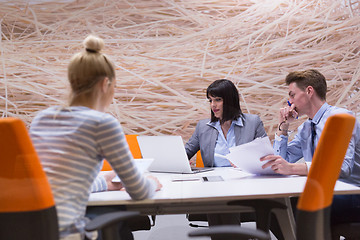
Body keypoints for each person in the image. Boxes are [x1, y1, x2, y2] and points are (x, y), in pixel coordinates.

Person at [29, 35, 162, 240]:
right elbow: (140, 193)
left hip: (33, 228)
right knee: (121, 224)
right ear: (105, 84)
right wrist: (151, 182)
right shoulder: (102, 123)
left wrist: (104, 181)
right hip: (68, 233)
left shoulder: (42, 119)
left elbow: (57, 184)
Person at [261, 69, 360, 234]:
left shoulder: (340, 118)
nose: (289, 101)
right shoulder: (306, 127)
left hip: (352, 192)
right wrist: (283, 128)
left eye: (292, 95)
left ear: (309, 91)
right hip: (325, 193)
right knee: (273, 208)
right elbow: (280, 160)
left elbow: (341, 168)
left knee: (294, 206)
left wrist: (292, 168)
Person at [185, 79, 267, 234]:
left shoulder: (253, 122)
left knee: (223, 201)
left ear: (229, 100)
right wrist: (182, 162)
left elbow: (265, 157)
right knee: (218, 198)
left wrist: (246, 162)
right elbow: (186, 152)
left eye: (218, 100)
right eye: (210, 100)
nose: (213, 105)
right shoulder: (203, 126)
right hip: (215, 185)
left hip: (244, 183)